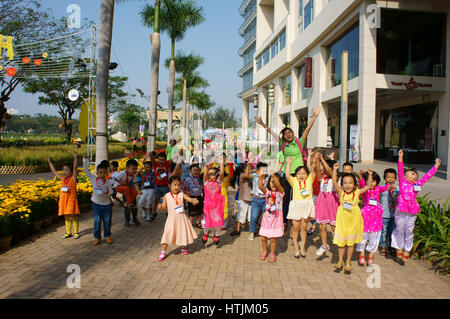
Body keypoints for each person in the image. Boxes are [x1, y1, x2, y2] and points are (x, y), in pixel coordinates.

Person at [255, 106, 322, 224]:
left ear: (293, 133)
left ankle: (304, 217)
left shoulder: (299, 142)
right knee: (285, 196)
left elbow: (307, 129)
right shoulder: (282, 144)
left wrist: (315, 116)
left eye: (289, 132)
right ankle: (285, 219)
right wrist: (263, 125)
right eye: (285, 134)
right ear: (283, 136)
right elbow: (272, 133)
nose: (288, 135)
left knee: (301, 194)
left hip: (300, 173)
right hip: (287, 173)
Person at [391, 150, 440, 265]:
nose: (415, 175)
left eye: (415, 174)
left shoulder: (417, 185)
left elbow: (427, 176)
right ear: (406, 176)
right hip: (401, 209)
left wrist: (436, 166)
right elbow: (400, 169)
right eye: (412, 173)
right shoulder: (402, 182)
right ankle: (399, 248)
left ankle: (408, 250)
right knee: (400, 228)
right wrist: (400, 157)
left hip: (412, 211)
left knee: (409, 230)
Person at [331, 163, 372, 274]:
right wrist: (335, 170)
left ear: (354, 184)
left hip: (353, 221)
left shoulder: (357, 192)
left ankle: (348, 262)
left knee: (350, 243)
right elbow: (334, 181)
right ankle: (340, 261)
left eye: (350, 183)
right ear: (342, 184)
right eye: (345, 183)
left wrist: (369, 175)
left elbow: (368, 186)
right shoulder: (341, 193)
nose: (347, 185)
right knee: (341, 243)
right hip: (343, 221)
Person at [356, 170, 395, 266]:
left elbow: (386, 187)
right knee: (363, 236)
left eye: (374, 181)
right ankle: (361, 254)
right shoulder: (364, 190)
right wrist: (365, 175)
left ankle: (371, 255)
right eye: (369, 181)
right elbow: (363, 182)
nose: (371, 183)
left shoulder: (378, 189)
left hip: (376, 217)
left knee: (375, 236)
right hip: (365, 216)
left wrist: (391, 186)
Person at [157, 176, 199, 261]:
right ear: (169, 185)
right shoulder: (167, 196)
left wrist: (194, 200)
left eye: (179, 185)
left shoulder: (181, 194)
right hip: (171, 220)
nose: (177, 187)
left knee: (182, 233)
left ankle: (183, 247)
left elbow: (190, 199)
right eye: (175, 185)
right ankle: (163, 252)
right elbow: (164, 207)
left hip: (181, 219)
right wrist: (160, 207)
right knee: (167, 234)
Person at [285, 151, 316, 258]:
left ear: (306, 175)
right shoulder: (293, 181)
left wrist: (309, 158)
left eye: (303, 173)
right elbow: (287, 175)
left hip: (307, 205)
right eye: (299, 174)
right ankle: (296, 247)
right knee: (296, 227)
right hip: (296, 205)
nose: (301, 175)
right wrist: (288, 164)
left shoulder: (309, 180)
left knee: (304, 227)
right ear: (296, 175)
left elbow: (312, 169)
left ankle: (302, 247)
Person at [47, 152, 80, 239]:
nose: (64, 172)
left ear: (71, 171)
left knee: (73, 217)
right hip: (64, 202)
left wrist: (75, 157)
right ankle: (68, 232)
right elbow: (55, 172)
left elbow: (75, 168)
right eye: (63, 170)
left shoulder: (73, 179)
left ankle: (76, 232)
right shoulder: (63, 179)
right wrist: (50, 163)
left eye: (66, 170)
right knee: (67, 218)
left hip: (71, 201)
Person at [83, 156, 114, 245]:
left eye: (104, 173)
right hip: (96, 204)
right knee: (97, 221)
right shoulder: (93, 179)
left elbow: (111, 192)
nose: (102, 174)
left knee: (107, 221)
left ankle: (107, 236)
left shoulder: (108, 183)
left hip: (107, 205)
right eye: (100, 172)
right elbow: (86, 171)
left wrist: (108, 193)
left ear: (107, 173)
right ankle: (97, 237)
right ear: (97, 173)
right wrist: (85, 160)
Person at [314, 153, 339, 257]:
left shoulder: (334, 178)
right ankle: (324, 245)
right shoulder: (322, 178)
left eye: (324, 168)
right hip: (322, 202)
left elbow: (329, 171)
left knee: (334, 226)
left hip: (331, 203)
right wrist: (317, 159)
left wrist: (322, 159)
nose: (323, 170)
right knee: (322, 226)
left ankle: (339, 243)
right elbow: (318, 170)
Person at [258, 173, 285, 263]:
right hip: (267, 218)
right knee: (263, 237)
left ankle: (272, 253)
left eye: (275, 182)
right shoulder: (267, 192)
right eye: (271, 182)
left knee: (273, 239)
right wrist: (260, 177)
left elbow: (278, 185)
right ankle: (265, 251)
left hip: (276, 219)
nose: (273, 183)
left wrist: (273, 176)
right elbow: (261, 186)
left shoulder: (281, 192)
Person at [202, 159, 225, 246]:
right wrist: (206, 166)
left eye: (214, 174)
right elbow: (205, 174)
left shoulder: (219, 182)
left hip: (217, 206)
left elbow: (222, 173)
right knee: (206, 222)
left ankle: (217, 234)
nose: (212, 176)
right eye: (210, 174)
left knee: (217, 222)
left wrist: (221, 163)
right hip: (208, 206)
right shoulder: (206, 182)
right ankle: (205, 233)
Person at [113, 159, 141, 227]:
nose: (134, 171)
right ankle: (127, 221)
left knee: (134, 192)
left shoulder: (133, 175)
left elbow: (135, 184)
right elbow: (114, 177)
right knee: (127, 207)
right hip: (119, 187)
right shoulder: (122, 173)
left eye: (136, 169)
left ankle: (135, 219)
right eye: (133, 169)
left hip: (128, 191)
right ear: (127, 168)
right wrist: (121, 182)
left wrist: (139, 191)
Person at [379, 168, 399, 256]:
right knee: (383, 231)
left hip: (393, 214)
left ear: (395, 178)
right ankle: (383, 246)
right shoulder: (382, 189)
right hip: (383, 214)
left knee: (392, 231)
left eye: (392, 177)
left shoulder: (397, 189)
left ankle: (391, 246)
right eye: (388, 177)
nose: (390, 179)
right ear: (384, 178)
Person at [230, 163, 253, 236]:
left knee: (250, 216)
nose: (250, 169)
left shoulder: (251, 175)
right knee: (240, 216)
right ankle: (237, 229)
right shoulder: (242, 175)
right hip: (243, 199)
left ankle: (251, 231)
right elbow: (246, 175)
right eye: (248, 168)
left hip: (251, 199)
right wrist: (248, 167)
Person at [248, 162, 269, 241]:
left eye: (266, 170)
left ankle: (266, 232)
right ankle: (251, 232)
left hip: (265, 200)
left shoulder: (269, 177)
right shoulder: (254, 176)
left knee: (266, 217)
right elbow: (246, 176)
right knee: (254, 216)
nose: (264, 172)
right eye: (262, 170)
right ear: (258, 170)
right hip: (256, 200)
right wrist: (251, 169)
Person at [181, 163, 204, 228]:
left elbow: (203, 187)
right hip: (191, 198)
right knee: (192, 212)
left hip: (199, 197)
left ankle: (198, 222)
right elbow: (183, 188)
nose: (196, 172)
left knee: (199, 211)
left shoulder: (200, 179)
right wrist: (186, 193)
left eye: (197, 170)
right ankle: (190, 224)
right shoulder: (187, 180)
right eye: (194, 170)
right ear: (190, 171)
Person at [151, 152, 172, 221]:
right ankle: (153, 212)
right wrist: (151, 154)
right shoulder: (155, 164)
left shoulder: (167, 164)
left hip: (165, 186)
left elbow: (172, 159)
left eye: (163, 160)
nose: (161, 161)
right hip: (157, 186)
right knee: (156, 200)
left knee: (167, 200)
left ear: (165, 160)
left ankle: (169, 212)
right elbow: (151, 158)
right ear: (157, 159)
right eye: (160, 159)